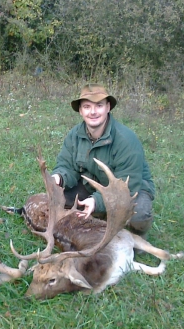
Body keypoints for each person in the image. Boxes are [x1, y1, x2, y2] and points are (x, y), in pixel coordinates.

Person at [51, 83, 155, 237]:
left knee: (138, 216)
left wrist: (97, 201)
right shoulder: (74, 135)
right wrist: (59, 177)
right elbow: (67, 166)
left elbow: (127, 185)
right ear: (80, 111)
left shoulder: (126, 140)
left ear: (108, 107)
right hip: (93, 185)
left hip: (132, 189)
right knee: (57, 198)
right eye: (87, 107)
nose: (93, 112)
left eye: (99, 106)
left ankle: (136, 235)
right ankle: (100, 215)